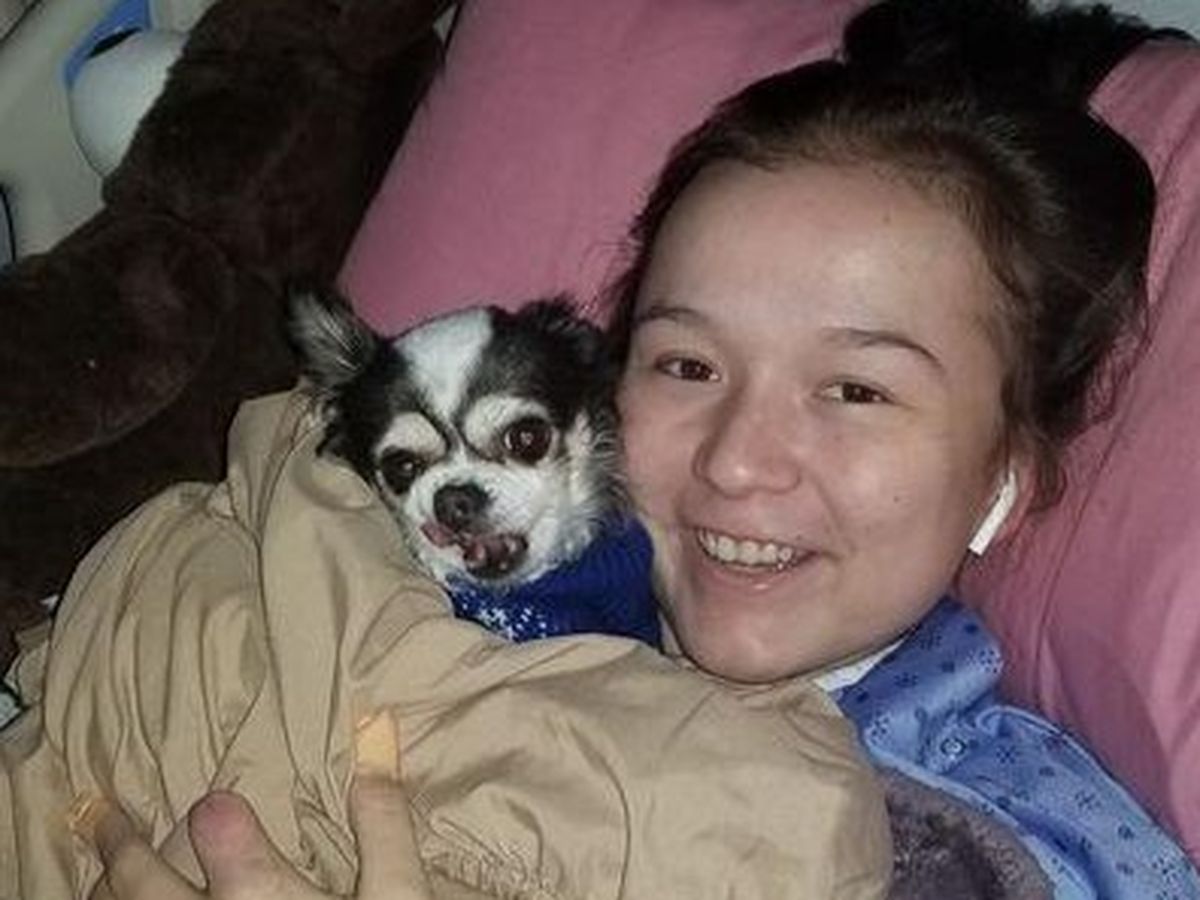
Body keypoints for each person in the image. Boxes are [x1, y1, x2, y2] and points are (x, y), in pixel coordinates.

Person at [60, 0, 1200, 897]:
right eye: (687, 367)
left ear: (1004, 479)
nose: (738, 461)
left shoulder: (1015, 836)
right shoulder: (438, 585)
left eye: (855, 389)